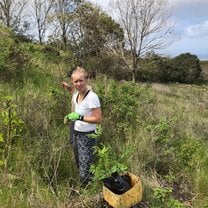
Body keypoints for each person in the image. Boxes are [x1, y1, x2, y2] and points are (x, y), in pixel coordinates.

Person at [64, 67, 102, 185]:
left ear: (86, 80)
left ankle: (89, 190)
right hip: (76, 133)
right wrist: (71, 117)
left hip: (88, 136)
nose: (79, 83)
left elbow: (98, 119)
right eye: (76, 81)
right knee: (78, 163)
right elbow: (74, 94)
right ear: (72, 82)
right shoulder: (76, 95)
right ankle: (86, 186)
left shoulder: (92, 97)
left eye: (81, 80)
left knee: (86, 170)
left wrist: (79, 117)